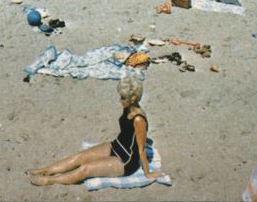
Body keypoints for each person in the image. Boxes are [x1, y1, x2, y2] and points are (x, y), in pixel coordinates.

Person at [27, 77, 162, 185]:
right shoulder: (127, 107)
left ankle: (49, 180)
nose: (120, 100)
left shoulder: (139, 120)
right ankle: (44, 170)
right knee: (79, 157)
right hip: (116, 145)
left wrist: (147, 173)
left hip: (126, 160)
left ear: (132, 99)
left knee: (85, 169)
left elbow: (141, 149)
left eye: (123, 97)